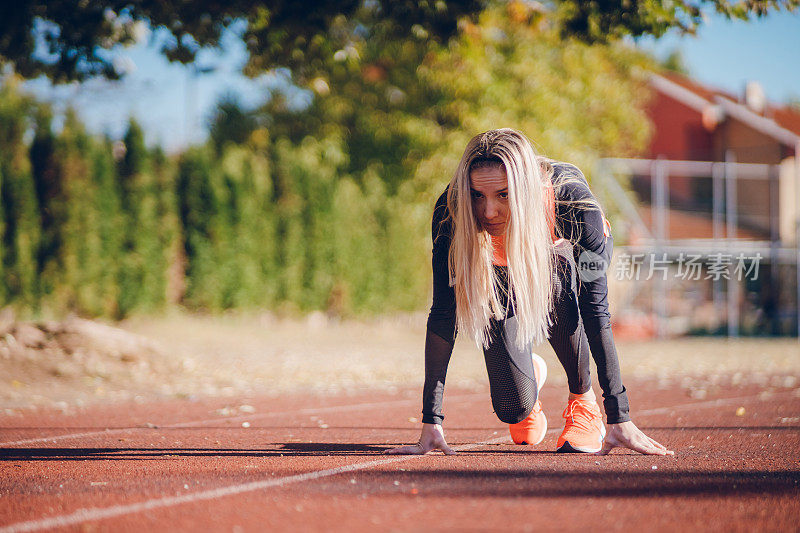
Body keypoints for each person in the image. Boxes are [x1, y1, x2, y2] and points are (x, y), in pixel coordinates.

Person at [387, 128, 672, 456]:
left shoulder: (574, 204)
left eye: (503, 195)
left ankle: (583, 402)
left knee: (561, 273)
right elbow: (443, 313)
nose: (489, 211)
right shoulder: (450, 210)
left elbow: (595, 310)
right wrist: (431, 422)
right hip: (502, 272)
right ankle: (528, 386)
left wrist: (619, 417)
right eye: (478, 195)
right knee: (512, 409)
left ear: (524, 189)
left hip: (559, 264)